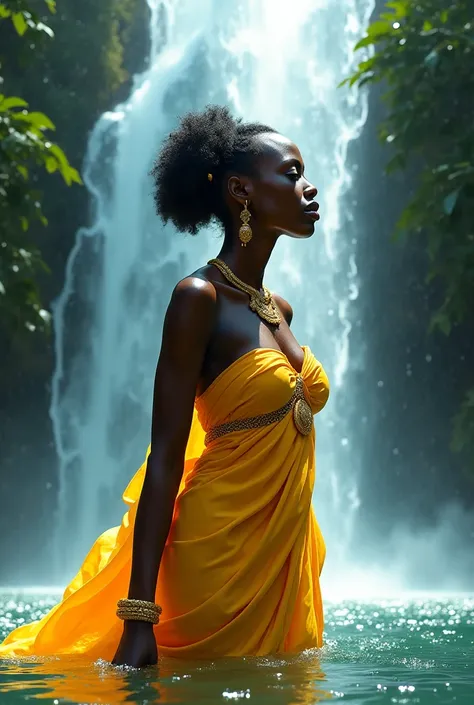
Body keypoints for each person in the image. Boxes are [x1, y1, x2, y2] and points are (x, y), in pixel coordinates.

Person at [0, 105, 330, 668]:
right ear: (239, 191)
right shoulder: (197, 299)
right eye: (291, 173)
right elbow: (166, 459)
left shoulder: (280, 310)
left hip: (277, 562)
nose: (308, 185)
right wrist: (138, 617)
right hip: (213, 559)